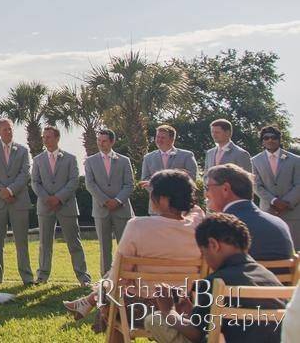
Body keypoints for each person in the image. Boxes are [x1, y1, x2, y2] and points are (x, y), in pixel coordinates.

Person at [63, 169, 204, 322]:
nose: (150, 197)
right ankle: (87, 302)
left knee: (114, 290)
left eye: (152, 192)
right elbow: (196, 211)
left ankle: (89, 302)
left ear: (163, 199)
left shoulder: (138, 225)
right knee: (115, 283)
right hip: (186, 307)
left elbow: (119, 274)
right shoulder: (198, 228)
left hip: (142, 308)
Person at [144, 213, 284, 343]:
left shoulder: (215, 282)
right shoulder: (270, 278)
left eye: (203, 253)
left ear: (213, 245)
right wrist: (193, 313)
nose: (206, 259)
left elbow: (196, 333)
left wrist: (169, 311)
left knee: (155, 319)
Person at [31, 125, 91, 286]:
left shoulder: (70, 158)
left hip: (67, 206)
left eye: (48, 137)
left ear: (57, 138)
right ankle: (42, 276)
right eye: (44, 137)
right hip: (45, 207)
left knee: (74, 242)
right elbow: (35, 182)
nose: (45, 140)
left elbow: (73, 181)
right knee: (45, 243)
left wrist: (58, 198)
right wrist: (46, 198)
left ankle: (83, 277)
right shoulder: (37, 160)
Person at [204, 163, 294, 260]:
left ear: (225, 189)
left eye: (207, 187)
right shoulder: (280, 224)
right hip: (277, 275)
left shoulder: (220, 226)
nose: (206, 194)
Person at [0, 118, 33, 285]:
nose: (8, 132)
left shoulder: (23, 150)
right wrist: (1, 191)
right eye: (4, 129)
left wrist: (11, 190)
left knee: (21, 241)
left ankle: (26, 276)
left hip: (18, 201)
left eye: (10, 129)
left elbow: (25, 174)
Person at [84, 128, 135, 276]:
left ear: (112, 141)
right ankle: (105, 279)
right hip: (101, 210)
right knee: (104, 247)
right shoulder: (90, 161)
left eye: (104, 141)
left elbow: (129, 184)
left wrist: (118, 200)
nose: (101, 143)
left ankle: (127, 277)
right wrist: (106, 201)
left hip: (122, 209)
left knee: (125, 246)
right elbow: (90, 184)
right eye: (99, 140)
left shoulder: (124, 160)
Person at [250, 124, 300, 250]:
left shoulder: (295, 160)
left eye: (273, 137)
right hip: (268, 211)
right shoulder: (255, 161)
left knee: (294, 250)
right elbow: (256, 185)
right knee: (270, 249)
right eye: (266, 138)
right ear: (262, 141)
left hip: (291, 212)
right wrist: (274, 201)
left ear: (279, 139)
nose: (270, 140)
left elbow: (298, 184)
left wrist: (286, 202)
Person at [139, 125, 198, 190]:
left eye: (163, 138)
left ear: (172, 139)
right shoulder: (148, 158)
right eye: (157, 137)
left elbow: (192, 177)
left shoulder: (186, 155)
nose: (159, 140)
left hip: (180, 197)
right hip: (157, 198)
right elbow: (145, 180)